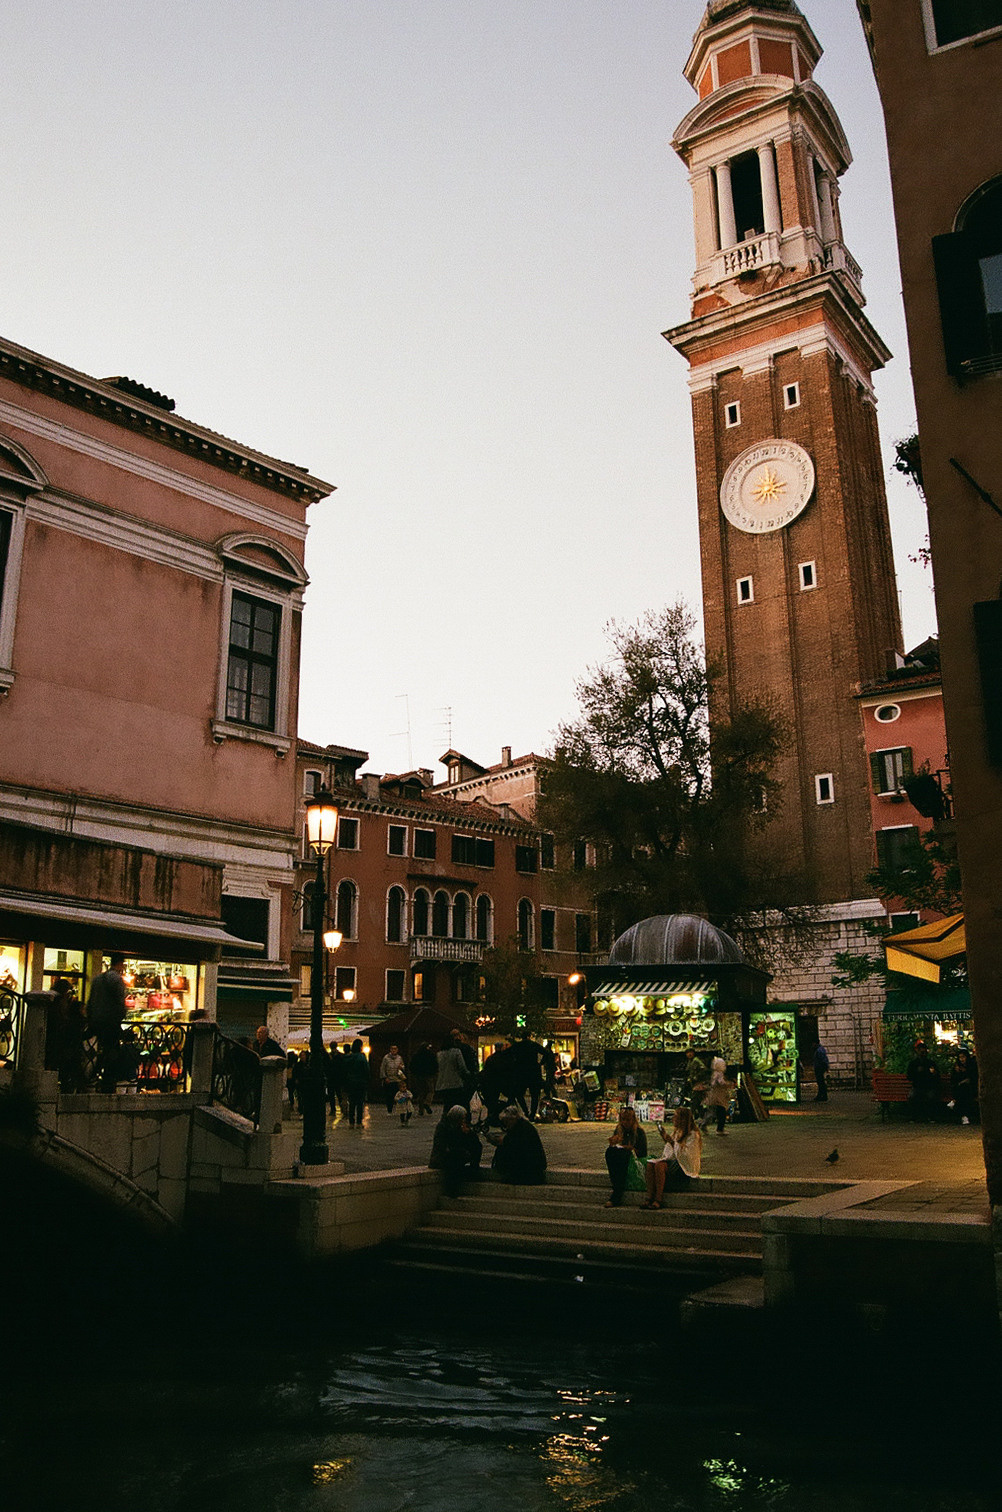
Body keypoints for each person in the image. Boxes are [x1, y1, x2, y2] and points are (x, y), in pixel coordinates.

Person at [642, 1106, 702, 1208]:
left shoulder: (693, 1134)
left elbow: (687, 1155)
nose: (673, 1119)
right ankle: (649, 1196)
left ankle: (658, 1199)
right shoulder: (677, 1132)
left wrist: (671, 1142)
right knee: (650, 1164)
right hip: (675, 1161)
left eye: (676, 1117)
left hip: (684, 1166)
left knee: (659, 1166)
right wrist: (667, 1140)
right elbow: (672, 1151)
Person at [86, 953, 128, 1091]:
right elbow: (120, 1002)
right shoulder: (117, 980)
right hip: (110, 1023)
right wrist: (120, 1018)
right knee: (112, 1053)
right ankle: (107, 1082)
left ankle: (90, 1079)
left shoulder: (97, 979)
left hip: (96, 1022)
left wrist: (91, 1018)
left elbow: (90, 1001)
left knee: (96, 1052)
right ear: (120, 964)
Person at [485, 1103, 547, 1184]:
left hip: (530, 1169)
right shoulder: (521, 1127)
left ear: (512, 1119)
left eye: (506, 1122)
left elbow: (516, 1147)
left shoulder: (522, 1129)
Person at [428, 1104, 482, 1195]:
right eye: (462, 1119)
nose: (463, 1121)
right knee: (457, 1157)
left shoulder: (459, 1126)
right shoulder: (443, 1126)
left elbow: (472, 1143)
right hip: (443, 1156)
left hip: (455, 1151)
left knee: (476, 1147)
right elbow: (442, 1145)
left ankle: (474, 1171)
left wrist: (468, 1133)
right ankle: (451, 1189)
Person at [604, 1106, 647, 1208]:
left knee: (623, 1155)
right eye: (623, 1120)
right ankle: (616, 1185)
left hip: (632, 1158)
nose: (625, 1122)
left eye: (628, 1120)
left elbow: (643, 1153)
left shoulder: (639, 1132)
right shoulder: (619, 1130)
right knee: (610, 1152)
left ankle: (617, 1193)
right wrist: (614, 1143)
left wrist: (631, 1148)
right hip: (621, 1157)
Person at [906, 1041, 941, 1122]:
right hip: (917, 1086)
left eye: (924, 1052)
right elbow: (909, 1077)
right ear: (917, 1051)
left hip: (929, 1087)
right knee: (912, 1096)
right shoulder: (913, 1064)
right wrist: (917, 1072)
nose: (923, 1054)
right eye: (921, 1052)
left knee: (931, 1096)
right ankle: (914, 1116)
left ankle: (931, 1116)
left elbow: (937, 1076)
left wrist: (933, 1073)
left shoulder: (930, 1063)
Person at [512, 1033, 544, 1119]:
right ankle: (532, 1114)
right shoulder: (534, 1045)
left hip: (521, 1072)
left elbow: (510, 1055)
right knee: (534, 1095)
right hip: (533, 1072)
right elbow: (546, 1053)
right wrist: (540, 1063)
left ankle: (526, 1111)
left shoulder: (517, 1046)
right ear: (529, 1037)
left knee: (519, 1094)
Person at [435, 1032, 470, 1112]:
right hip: (455, 1083)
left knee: (447, 1105)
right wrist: (468, 1075)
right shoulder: (456, 1052)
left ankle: (445, 1120)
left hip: (442, 1084)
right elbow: (462, 1067)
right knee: (456, 1105)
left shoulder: (439, 1054)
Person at [344, 1038, 369, 1128]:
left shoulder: (347, 1058)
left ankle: (351, 1121)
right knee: (359, 1103)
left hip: (350, 1082)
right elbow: (366, 1069)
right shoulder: (362, 1057)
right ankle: (358, 1122)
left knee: (351, 1102)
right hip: (360, 1082)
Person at [950, 1048, 979, 1125]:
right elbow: (953, 1080)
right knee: (963, 1091)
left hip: (971, 1089)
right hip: (960, 1090)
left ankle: (955, 1102)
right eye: (960, 1057)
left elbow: (973, 1078)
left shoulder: (972, 1065)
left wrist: (965, 1072)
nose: (961, 1059)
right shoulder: (957, 1067)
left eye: (963, 1057)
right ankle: (964, 1115)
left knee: (964, 1090)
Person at [704, 1055, 731, 1135]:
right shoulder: (719, 1074)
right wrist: (728, 1084)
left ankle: (704, 1124)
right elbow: (721, 1083)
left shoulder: (714, 1073)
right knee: (720, 1112)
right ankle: (719, 1129)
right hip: (719, 1097)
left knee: (712, 1112)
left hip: (714, 1096)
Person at [410, 1040, 438, 1115]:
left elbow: (411, 1066)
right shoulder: (431, 1055)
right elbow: (435, 1065)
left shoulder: (416, 1055)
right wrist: (434, 1073)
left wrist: (414, 1074)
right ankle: (427, 1103)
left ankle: (421, 1110)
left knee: (421, 1093)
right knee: (430, 1091)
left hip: (418, 1076)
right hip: (429, 1076)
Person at [379, 1043, 405, 1114]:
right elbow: (383, 1068)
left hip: (397, 1079)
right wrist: (385, 1077)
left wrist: (401, 1068)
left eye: (395, 1049)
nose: (394, 1050)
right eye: (392, 1049)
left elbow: (403, 1067)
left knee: (398, 1095)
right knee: (389, 1095)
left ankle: (398, 1109)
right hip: (389, 1079)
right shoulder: (386, 1058)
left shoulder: (399, 1058)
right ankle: (389, 1109)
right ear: (390, 1049)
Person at [683, 1047, 708, 1118]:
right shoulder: (690, 1062)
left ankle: (691, 1115)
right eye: (687, 1053)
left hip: (698, 1084)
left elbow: (703, 1069)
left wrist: (696, 1077)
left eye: (690, 1052)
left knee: (695, 1100)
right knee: (697, 1101)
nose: (689, 1054)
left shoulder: (696, 1061)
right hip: (693, 1084)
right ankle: (703, 1115)